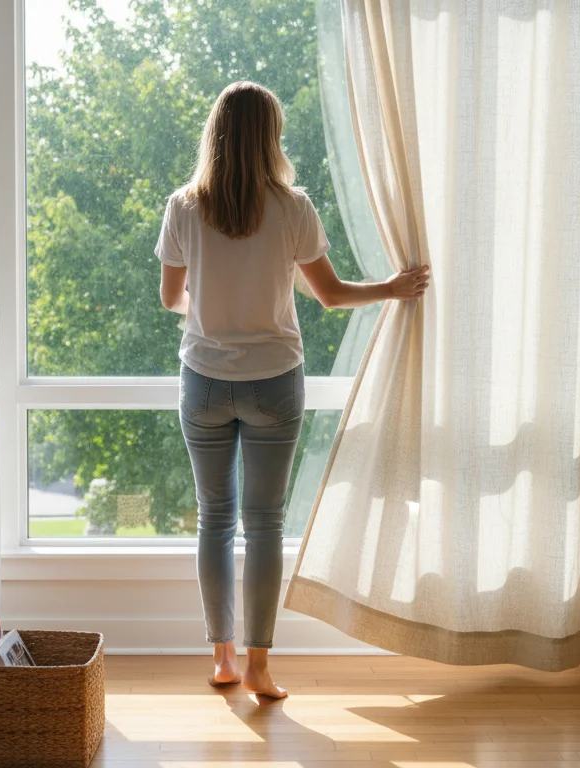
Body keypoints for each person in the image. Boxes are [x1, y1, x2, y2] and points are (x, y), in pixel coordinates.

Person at [154, 81, 429, 699]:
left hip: (203, 381)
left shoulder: (183, 206)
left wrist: (211, 301)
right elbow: (330, 295)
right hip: (275, 381)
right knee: (265, 522)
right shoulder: (293, 206)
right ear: (270, 135)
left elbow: (171, 298)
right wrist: (391, 288)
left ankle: (221, 658)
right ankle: (259, 666)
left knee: (215, 520)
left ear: (214, 135)